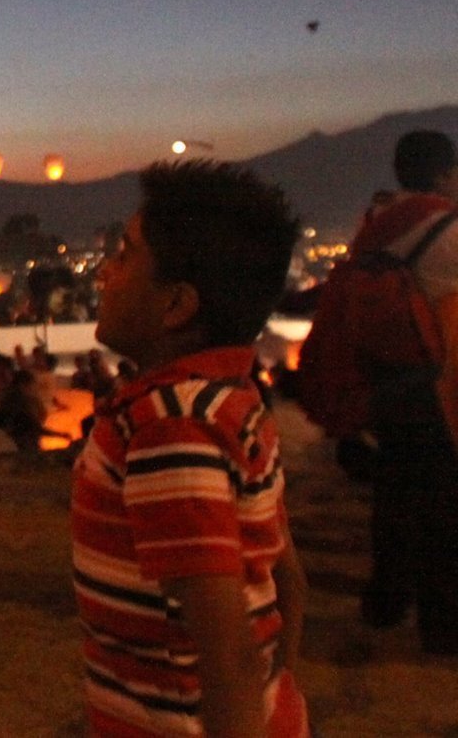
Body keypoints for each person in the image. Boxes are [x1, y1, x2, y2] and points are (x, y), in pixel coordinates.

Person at [73, 161, 308, 738]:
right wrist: (279, 694)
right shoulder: (230, 402)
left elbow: (224, 648)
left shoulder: (167, 428)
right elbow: (289, 581)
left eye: (125, 254)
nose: (105, 271)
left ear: (177, 305)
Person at [353, 129, 458, 653]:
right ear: (443, 175)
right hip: (434, 384)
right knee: (443, 505)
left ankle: (385, 600)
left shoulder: (376, 222)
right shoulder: (448, 232)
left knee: (395, 492)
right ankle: (441, 624)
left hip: (383, 378)